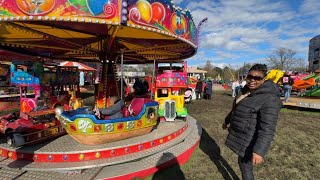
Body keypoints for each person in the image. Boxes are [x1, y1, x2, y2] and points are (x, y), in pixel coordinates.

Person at [222, 64, 282, 180]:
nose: (252, 80)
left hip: (250, 140)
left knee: (245, 165)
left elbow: (267, 128)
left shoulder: (270, 99)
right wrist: (227, 121)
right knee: (242, 162)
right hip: (243, 136)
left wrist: (259, 151)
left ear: (264, 80)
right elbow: (236, 108)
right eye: (249, 76)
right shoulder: (245, 91)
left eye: (257, 78)